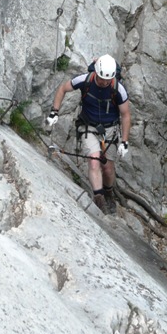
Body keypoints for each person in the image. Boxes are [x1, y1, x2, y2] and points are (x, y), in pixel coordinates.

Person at [46, 54, 131, 214]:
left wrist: (124, 141)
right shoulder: (85, 80)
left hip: (110, 130)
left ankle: (108, 192)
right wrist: (54, 112)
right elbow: (63, 88)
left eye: (108, 80)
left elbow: (125, 115)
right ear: (96, 73)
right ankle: (99, 201)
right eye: (101, 78)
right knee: (94, 161)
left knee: (108, 168)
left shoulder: (118, 89)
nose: (105, 82)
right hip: (88, 125)